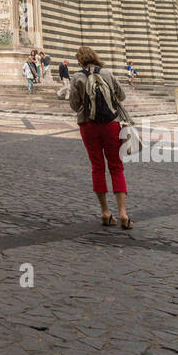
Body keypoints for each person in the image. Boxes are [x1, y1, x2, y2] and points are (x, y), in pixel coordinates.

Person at [68, 45, 132, 230]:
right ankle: (123, 214)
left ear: (79, 60)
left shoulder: (78, 77)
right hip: (111, 125)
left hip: (88, 126)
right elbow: (122, 94)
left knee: (97, 167)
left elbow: (74, 105)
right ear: (95, 57)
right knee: (116, 167)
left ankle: (105, 212)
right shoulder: (107, 73)